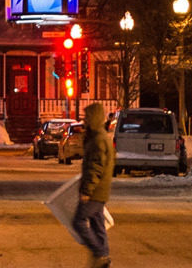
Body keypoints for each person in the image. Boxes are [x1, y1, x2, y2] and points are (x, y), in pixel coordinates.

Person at [73, 102, 113, 268]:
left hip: (95, 191)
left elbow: (95, 168)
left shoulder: (98, 140)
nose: (84, 120)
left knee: (79, 221)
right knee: (97, 224)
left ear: (94, 118)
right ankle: (103, 257)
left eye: (87, 117)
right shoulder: (98, 136)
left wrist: (87, 190)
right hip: (101, 190)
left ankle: (100, 253)